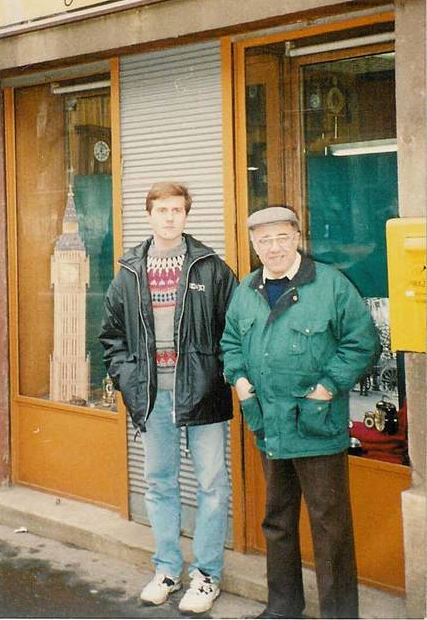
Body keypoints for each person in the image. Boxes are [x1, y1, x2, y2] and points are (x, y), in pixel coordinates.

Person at [221, 206, 381, 620]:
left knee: (330, 530)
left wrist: (326, 389)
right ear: (255, 246)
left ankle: (339, 615)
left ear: (296, 238)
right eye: (263, 241)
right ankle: (283, 608)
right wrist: (240, 383)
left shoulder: (330, 285)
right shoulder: (247, 289)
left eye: (280, 238)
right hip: (269, 426)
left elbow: (362, 343)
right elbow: (231, 344)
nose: (273, 248)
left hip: (316, 427)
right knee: (277, 521)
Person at [99, 182, 237, 614]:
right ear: (149, 214)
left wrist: (223, 375)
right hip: (152, 397)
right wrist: (129, 380)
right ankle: (167, 569)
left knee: (212, 485)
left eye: (177, 209)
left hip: (202, 394)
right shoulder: (129, 271)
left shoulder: (211, 268)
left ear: (187, 214)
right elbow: (111, 338)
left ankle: (207, 575)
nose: (170, 217)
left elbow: (234, 330)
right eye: (162, 209)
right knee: (159, 484)